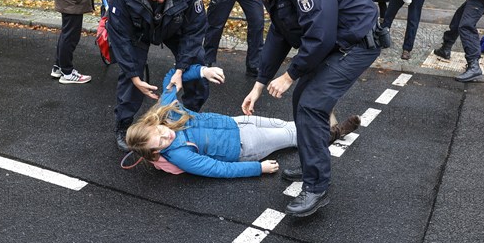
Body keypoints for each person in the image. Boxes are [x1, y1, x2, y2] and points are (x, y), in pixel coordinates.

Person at [240, 0, 382, 217]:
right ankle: (310, 163)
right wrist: (259, 84)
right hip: (336, 42)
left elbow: (320, 36)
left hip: (357, 44)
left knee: (312, 104)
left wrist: (289, 75)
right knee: (302, 98)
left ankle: (316, 187)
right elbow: (279, 35)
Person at [126, 68, 360, 177]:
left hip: (238, 123)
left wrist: (200, 72)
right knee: (293, 135)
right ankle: (332, 132)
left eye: (159, 130)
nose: (166, 135)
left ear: (153, 122)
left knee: (291, 126)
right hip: (246, 146)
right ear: (155, 152)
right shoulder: (180, 155)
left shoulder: (168, 115)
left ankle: (323, 128)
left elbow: (171, 77)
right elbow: (218, 169)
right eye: (161, 142)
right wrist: (258, 168)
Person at [107, 0, 209, 152]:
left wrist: (181, 68)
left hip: (175, 27)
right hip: (139, 31)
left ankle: (189, 113)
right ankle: (124, 124)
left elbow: (195, 29)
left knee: (195, 62)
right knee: (130, 73)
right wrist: (134, 76)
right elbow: (120, 37)